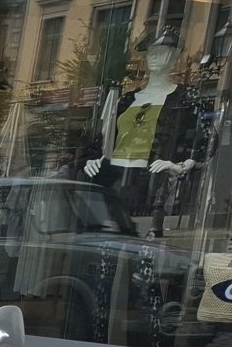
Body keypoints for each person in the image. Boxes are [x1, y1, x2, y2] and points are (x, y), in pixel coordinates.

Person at [83, 27, 205, 238]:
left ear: (176, 55)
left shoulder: (185, 98)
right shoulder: (127, 99)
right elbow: (106, 138)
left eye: (163, 50)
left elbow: (206, 139)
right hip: (114, 180)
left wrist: (179, 165)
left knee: (141, 249)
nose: (155, 56)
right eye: (151, 51)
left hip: (150, 185)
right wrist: (93, 159)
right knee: (104, 244)